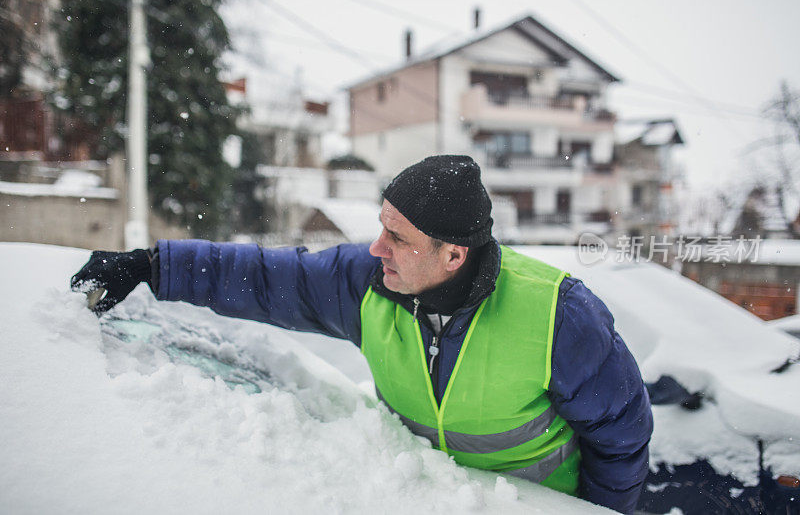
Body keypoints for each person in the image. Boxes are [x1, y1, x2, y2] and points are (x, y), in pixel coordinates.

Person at [71, 155, 653, 513]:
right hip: (419, 496)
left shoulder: (558, 315)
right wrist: (153, 266)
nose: (378, 249)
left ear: (454, 254)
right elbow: (274, 280)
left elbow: (622, 441)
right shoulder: (368, 282)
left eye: (398, 238)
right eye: (381, 228)